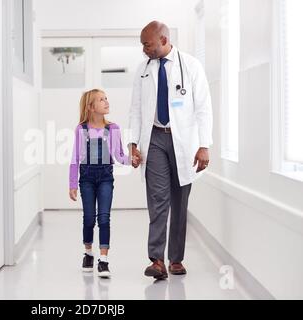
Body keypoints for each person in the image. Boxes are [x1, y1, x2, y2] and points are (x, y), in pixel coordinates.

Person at [128, 21, 213, 280]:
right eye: (142, 44)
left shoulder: (191, 66)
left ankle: (176, 259)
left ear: (164, 40)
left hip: (184, 141)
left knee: (179, 201)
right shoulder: (142, 70)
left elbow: (203, 107)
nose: (144, 50)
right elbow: (135, 109)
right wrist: (132, 143)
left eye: (148, 44)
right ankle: (157, 260)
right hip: (153, 138)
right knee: (157, 200)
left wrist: (204, 145)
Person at [69, 89, 137, 278]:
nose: (107, 102)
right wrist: (72, 183)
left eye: (106, 98)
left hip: (106, 177)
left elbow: (119, 155)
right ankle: (89, 253)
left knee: (104, 218)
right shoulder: (81, 129)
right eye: (101, 100)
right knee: (89, 218)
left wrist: (132, 159)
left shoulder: (113, 128)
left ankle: (104, 260)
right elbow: (75, 158)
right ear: (90, 107)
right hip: (87, 178)